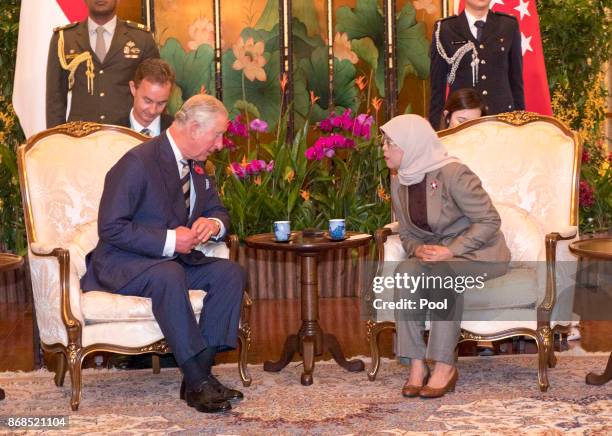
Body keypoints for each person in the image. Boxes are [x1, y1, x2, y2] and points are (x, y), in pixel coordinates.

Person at [81, 94, 246, 414]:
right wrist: (171, 241)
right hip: (123, 262)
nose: (220, 144)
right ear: (195, 127)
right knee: (168, 274)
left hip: (171, 262)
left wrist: (211, 225)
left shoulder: (197, 168)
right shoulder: (138, 162)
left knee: (231, 273)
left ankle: (199, 377)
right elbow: (111, 228)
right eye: (217, 134)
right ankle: (199, 382)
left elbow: (220, 213)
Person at [380, 114, 510, 398]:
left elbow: (490, 221)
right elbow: (406, 233)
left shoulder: (453, 174)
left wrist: (451, 250)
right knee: (405, 272)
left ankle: (443, 367)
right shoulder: (399, 180)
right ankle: (416, 365)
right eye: (384, 142)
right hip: (434, 255)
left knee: (443, 275)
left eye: (391, 143)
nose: (384, 149)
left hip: (477, 254)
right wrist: (417, 249)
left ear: (412, 144)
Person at [46, 0, 159, 128]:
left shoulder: (141, 38)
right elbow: (55, 100)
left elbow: (156, 91)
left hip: (127, 135)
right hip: (79, 137)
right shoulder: (64, 39)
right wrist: (56, 140)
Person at [428, 0, 524, 128]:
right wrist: (437, 131)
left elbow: (516, 81)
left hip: (502, 120)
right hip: (462, 120)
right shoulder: (445, 29)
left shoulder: (508, 25)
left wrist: (520, 122)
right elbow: (437, 89)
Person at [124, 58, 175, 136]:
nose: (152, 111)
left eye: (161, 103)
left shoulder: (178, 131)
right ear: (133, 88)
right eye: (147, 101)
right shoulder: (111, 133)